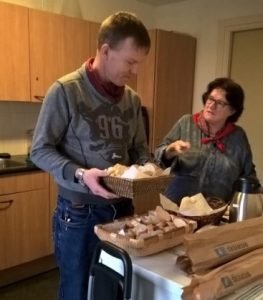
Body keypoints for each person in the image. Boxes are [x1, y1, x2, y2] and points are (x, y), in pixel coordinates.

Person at [30, 11, 151, 300]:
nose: (135, 72)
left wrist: (149, 169)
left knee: (114, 289)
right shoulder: (65, 91)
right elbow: (39, 149)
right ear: (106, 51)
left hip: (123, 210)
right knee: (77, 290)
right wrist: (82, 174)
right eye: (130, 62)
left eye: (139, 64)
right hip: (79, 214)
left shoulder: (132, 99)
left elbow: (139, 150)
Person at [154, 77, 259, 204]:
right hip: (176, 210)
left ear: (232, 110)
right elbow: (158, 157)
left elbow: (249, 177)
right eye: (210, 99)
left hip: (217, 213)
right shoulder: (186, 123)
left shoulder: (238, 136)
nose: (211, 105)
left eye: (220, 103)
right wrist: (169, 151)